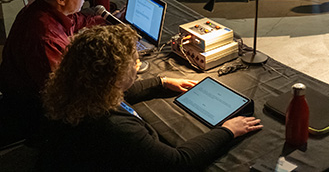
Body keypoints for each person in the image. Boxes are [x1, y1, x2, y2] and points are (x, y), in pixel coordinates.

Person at [39, 25, 263, 170]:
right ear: (114, 74)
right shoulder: (116, 126)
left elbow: (122, 93)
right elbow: (178, 162)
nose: (137, 66)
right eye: (133, 62)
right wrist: (227, 130)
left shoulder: (79, 92)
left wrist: (160, 82)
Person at [0, 0, 106, 143]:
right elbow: (65, 91)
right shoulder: (45, 38)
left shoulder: (44, 8)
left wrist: (110, 20)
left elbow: (76, 20)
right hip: (34, 111)